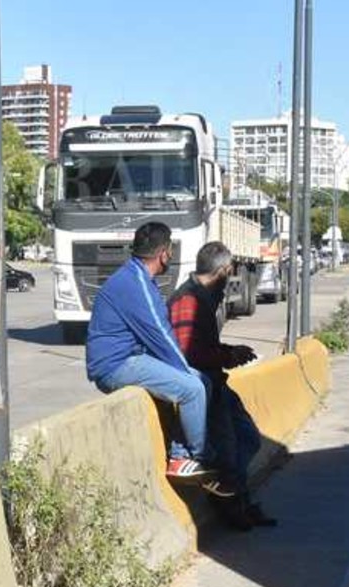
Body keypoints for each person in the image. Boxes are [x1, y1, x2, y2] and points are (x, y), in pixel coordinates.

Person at [85, 222, 213, 478]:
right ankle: (193, 456)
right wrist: (185, 372)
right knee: (193, 388)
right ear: (163, 253)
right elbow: (161, 336)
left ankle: (181, 452)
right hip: (115, 366)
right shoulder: (136, 284)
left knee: (201, 381)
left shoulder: (137, 277)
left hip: (131, 358)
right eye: (170, 252)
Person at [168, 242, 277, 530]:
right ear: (224, 270)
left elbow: (201, 345)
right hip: (204, 388)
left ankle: (238, 500)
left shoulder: (205, 297)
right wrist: (228, 355)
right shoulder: (188, 300)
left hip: (216, 382)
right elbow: (186, 352)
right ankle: (232, 506)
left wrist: (228, 351)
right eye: (230, 272)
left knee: (249, 439)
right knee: (227, 452)